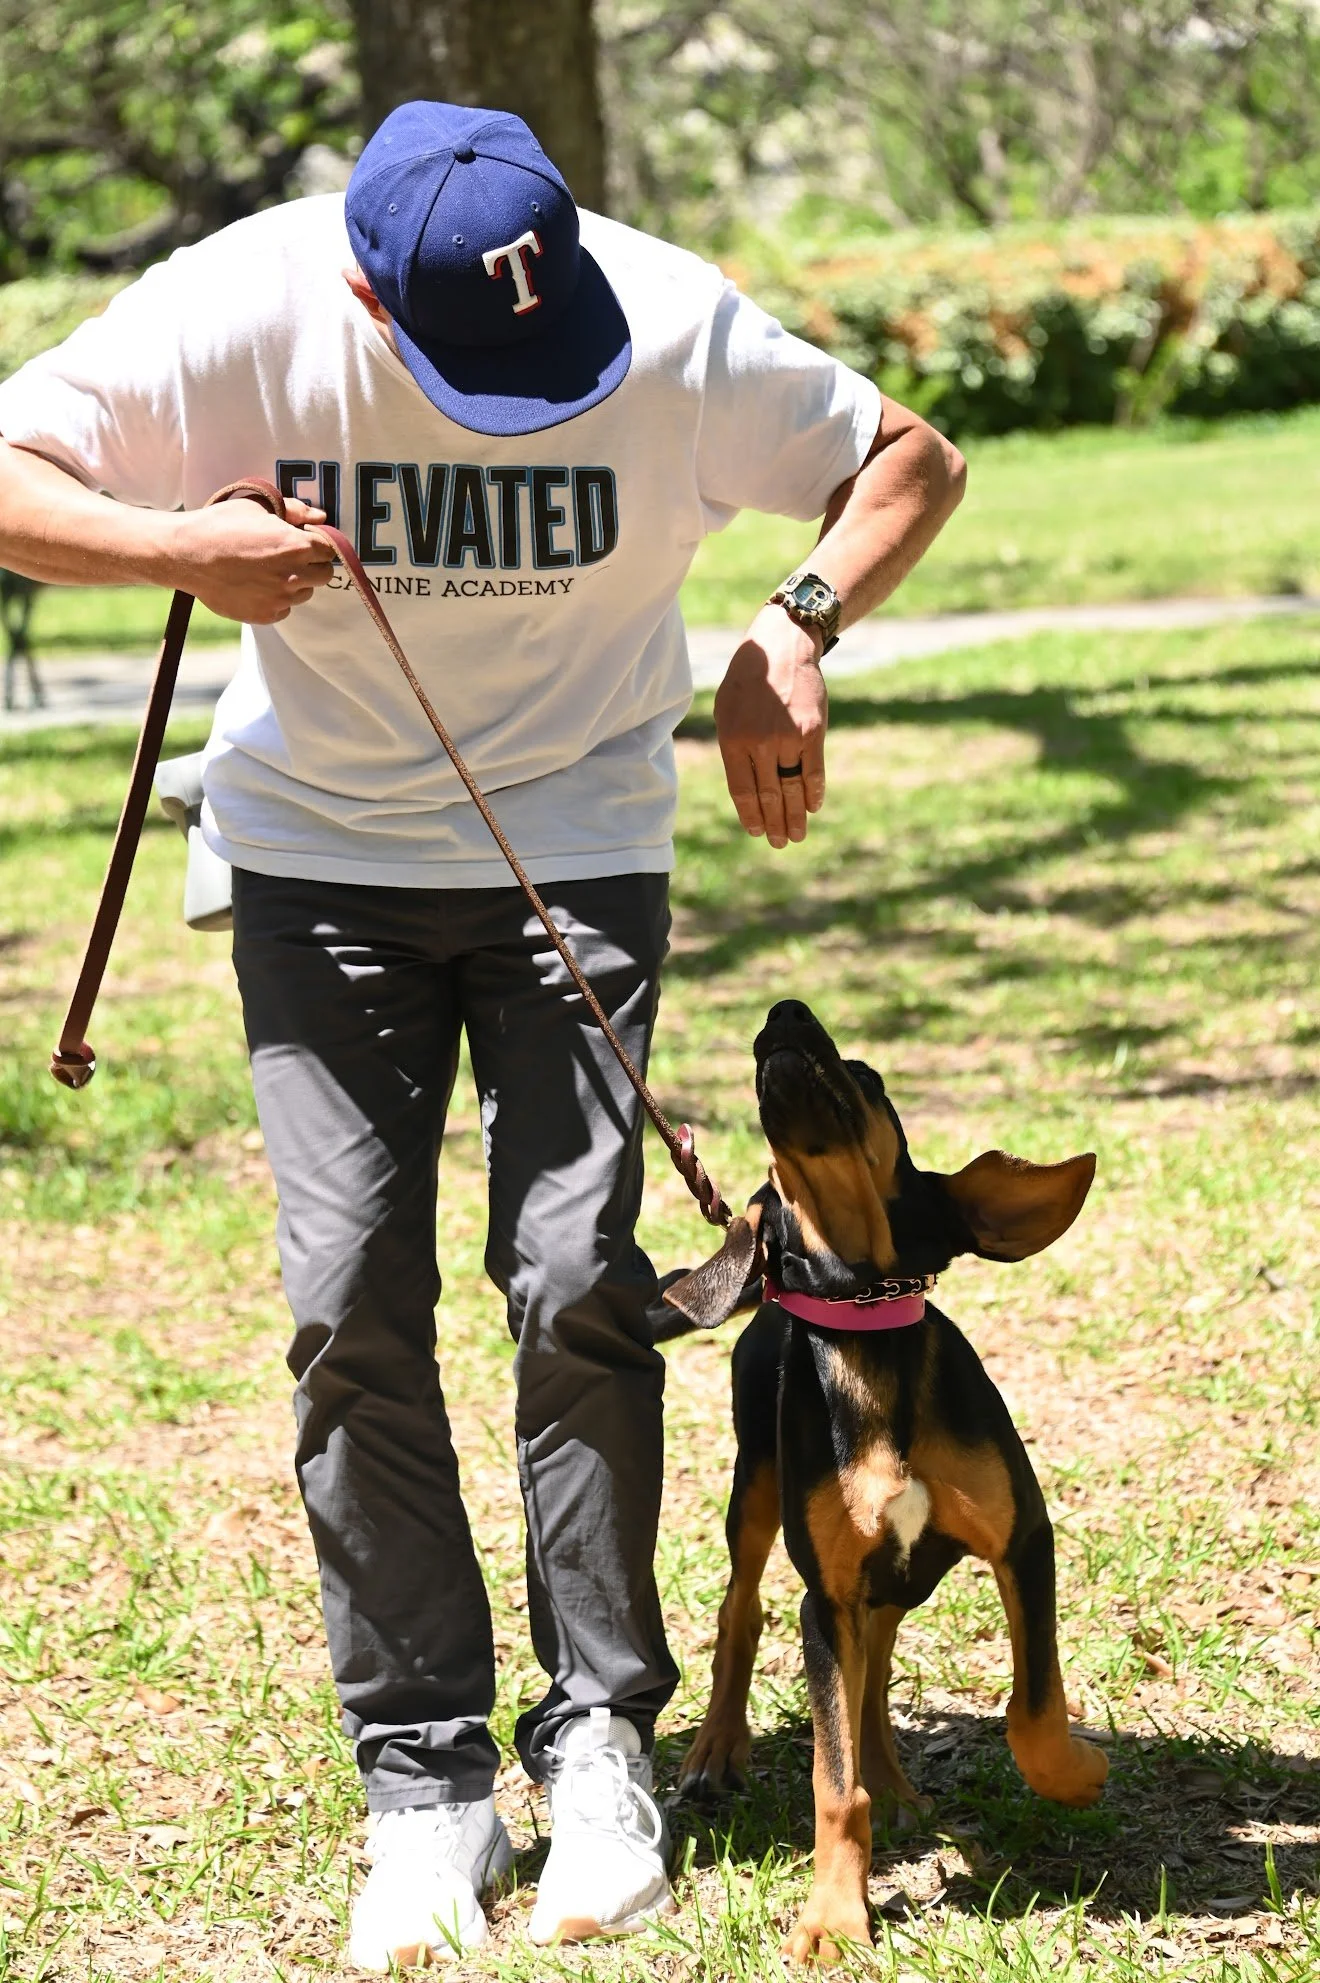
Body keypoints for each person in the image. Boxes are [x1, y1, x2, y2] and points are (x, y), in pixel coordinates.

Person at [0, 101, 965, 1968]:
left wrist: (794, 624)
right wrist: (171, 545)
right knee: (348, 1295)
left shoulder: (668, 322)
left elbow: (908, 456)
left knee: (575, 1276)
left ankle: (600, 1739)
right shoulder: (244, 303)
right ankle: (424, 1777)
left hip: (577, 851)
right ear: (367, 295)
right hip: (320, 866)